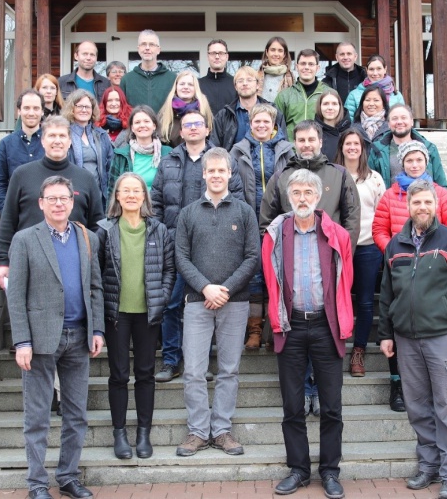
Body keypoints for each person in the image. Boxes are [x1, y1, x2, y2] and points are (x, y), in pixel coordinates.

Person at [379, 178, 447, 499]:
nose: (422, 208)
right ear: (407, 206)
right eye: (416, 203)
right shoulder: (395, 245)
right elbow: (385, 294)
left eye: (427, 202)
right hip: (406, 341)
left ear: (436, 205)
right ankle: (429, 466)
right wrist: (386, 334)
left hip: (444, 339)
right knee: (418, 407)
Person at [7, 175, 103, 499]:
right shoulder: (24, 240)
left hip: (79, 338)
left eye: (64, 198)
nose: (59, 203)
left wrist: (98, 329)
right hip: (40, 340)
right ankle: (36, 484)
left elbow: (95, 288)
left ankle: (68, 477)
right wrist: (21, 341)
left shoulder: (87, 237)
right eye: (52, 199)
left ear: (72, 202)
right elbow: (15, 295)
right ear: (41, 203)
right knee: (37, 418)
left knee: (76, 414)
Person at [262, 169, 353, 499]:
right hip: (292, 326)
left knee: (331, 406)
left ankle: (330, 470)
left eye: (307, 192)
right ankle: (298, 469)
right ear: (289, 197)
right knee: (292, 405)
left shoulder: (336, 234)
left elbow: (346, 281)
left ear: (318, 197)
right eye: (296, 192)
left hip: (326, 326)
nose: (302, 198)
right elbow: (271, 281)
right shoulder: (276, 234)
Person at [174, 147, 260, 457]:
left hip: (235, 302)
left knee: (229, 369)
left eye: (221, 171)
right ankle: (198, 431)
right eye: (211, 171)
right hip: (197, 301)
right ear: (204, 174)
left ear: (229, 174)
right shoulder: (188, 213)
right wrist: (205, 287)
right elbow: (181, 257)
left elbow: (253, 257)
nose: (216, 175)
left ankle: (221, 429)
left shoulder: (244, 212)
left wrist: (225, 288)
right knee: (195, 370)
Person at [150, 111, 245, 383]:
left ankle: (201, 362)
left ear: (207, 129)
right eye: (187, 125)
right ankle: (171, 360)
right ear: (180, 131)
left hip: (211, 247)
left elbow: (237, 199)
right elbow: (156, 200)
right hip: (173, 244)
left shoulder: (221, 161)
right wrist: (161, 234)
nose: (192, 129)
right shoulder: (168, 161)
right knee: (171, 304)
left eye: (198, 124)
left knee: (208, 304)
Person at [97, 172, 175, 461]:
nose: (131, 195)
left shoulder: (159, 230)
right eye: (125, 191)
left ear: (145, 196)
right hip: (116, 314)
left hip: (148, 314)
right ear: (117, 196)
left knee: (145, 374)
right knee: (118, 375)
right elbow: (98, 272)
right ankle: (120, 433)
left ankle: (144, 433)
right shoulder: (104, 230)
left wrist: (163, 296)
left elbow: (169, 270)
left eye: (136, 191)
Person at [0, 116, 105, 291]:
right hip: (30, 261)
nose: (57, 141)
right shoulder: (22, 175)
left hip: (74, 262)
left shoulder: (86, 179)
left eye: (62, 136)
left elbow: (97, 224)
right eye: (52, 136)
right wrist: (3, 261)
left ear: (70, 142)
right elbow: (8, 220)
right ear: (42, 141)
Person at [230, 103, 295, 349]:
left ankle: (273, 328)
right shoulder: (237, 151)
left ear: (274, 124)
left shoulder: (286, 150)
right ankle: (255, 330)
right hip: (248, 221)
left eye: (266, 121)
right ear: (250, 122)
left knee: (277, 274)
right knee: (254, 276)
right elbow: (233, 186)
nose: (261, 125)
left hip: (280, 222)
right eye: (257, 121)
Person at [333, 128, 385, 380]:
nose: (352, 147)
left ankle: (359, 351)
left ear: (363, 148)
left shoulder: (374, 178)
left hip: (367, 248)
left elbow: (381, 214)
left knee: (365, 302)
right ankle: (334, 347)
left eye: (357, 143)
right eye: (348, 143)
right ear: (341, 147)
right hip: (337, 247)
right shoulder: (332, 175)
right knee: (335, 299)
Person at [260, 120, 360, 248]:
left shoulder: (340, 175)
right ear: (294, 143)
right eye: (301, 140)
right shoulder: (280, 178)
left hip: (330, 254)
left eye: (311, 139)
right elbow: (267, 223)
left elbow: (352, 220)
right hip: (291, 255)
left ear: (320, 142)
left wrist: (343, 256)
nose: (306, 145)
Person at [373, 141, 447, 253]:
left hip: (434, 260)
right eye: (409, 161)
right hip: (402, 261)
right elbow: (379, 230)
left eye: (419, 160)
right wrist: (393, 251)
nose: (414, 165)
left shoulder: (441, 194)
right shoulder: (389, 195)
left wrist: (440, 253)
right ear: (403, 164)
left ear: (426, 162)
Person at [369, 103, 447, 188]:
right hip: (390, 200)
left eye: (403, 118)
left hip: (424, 199)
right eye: (394, 118)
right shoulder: (377, 150)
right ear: (388, 124)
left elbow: (442, 185)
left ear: (412, 121)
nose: (399, 122)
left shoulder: (429, 149)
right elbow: (370, 185)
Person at [210, 66, 286, 151]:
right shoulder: (224, 116)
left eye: (249, 80)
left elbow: (283, 146)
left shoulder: (274, 113)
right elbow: (214, 148)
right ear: (235, 87)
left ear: (257, 85)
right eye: (240, 81)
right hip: (233, 163)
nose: (245, 83)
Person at [0, 89, 45, 213]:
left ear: (42, 111)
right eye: (26, 108)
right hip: (17, 216)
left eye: (36, 108)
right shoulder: (6, 144)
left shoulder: (52, 142)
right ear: (19, 111)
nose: (31, 113)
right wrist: (6, 212)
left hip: (48, 217)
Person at [62, 90, 114, 206]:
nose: (84, 110)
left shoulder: (101, 135)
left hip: (99, 195)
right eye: (80, 106)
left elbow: (110, 166)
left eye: (87, 107)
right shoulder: (64, 134)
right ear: (72, 108)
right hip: (73, 195)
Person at [107, 105, 172, 195]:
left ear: (154, 126)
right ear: (132, 128)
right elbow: (112, 190)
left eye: (146, 121)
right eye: (137, 122)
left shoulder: (168, 154)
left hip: (159, 207)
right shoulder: (121, 155)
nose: (142, 125)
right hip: (130, 206)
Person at [275, 49, 331, 139]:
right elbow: (276, 127)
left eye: (311, 64)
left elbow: (336, 126)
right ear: (297, 67)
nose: (307, 67)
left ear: (318, 68)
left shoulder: (329, 94)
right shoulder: (284, 96)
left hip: (320, 150)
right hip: (292, 151)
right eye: (303, 63)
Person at [121, 29, 177, 111]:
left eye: (151, 44)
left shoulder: (172, 79)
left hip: (164, 124)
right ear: (138, 49)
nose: (147, 48)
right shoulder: (127, 80)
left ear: (158, 50)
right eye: (143, 44)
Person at [158, 70, 214, 147]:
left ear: (195, 88)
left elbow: (212, 139)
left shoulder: (204, 111)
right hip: (172, 157)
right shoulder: (165, 113)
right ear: (176, 88)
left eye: (190, 84)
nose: (186, 87)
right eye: (182, 84)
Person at [344, 54, 404, 121]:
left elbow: (401, 118)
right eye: (371, 69)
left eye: (379, 69)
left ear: (385, 69)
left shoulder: (396, 95)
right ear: (367, 70)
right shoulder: (354, 95)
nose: (375, 73)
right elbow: (348, 123)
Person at [198, 39, 236, 115]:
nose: (217, 56)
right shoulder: (197, 85)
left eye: (221, 53)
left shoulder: (236, 84)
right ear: (208, 56)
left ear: (227, 56)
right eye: (213, 53)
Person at [351, 84, 390, 153]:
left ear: (383, 103)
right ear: (362, 103)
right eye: (367, 100)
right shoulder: (352, 128)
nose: (371, 104)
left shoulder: (390, 128)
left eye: (376, 100)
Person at [315, 89, 351, 161]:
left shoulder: (351, 132)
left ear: (340, 106)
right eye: (326, 104)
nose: (330, 108)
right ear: (320, 106)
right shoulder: (313, 132)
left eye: (334, 104)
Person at [258, 36, 294, 103]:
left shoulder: (292, 77)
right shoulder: (256, 75)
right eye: (273, 50)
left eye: (280, 51)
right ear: (267, 52)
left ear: (284, 54)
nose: (276, 54)